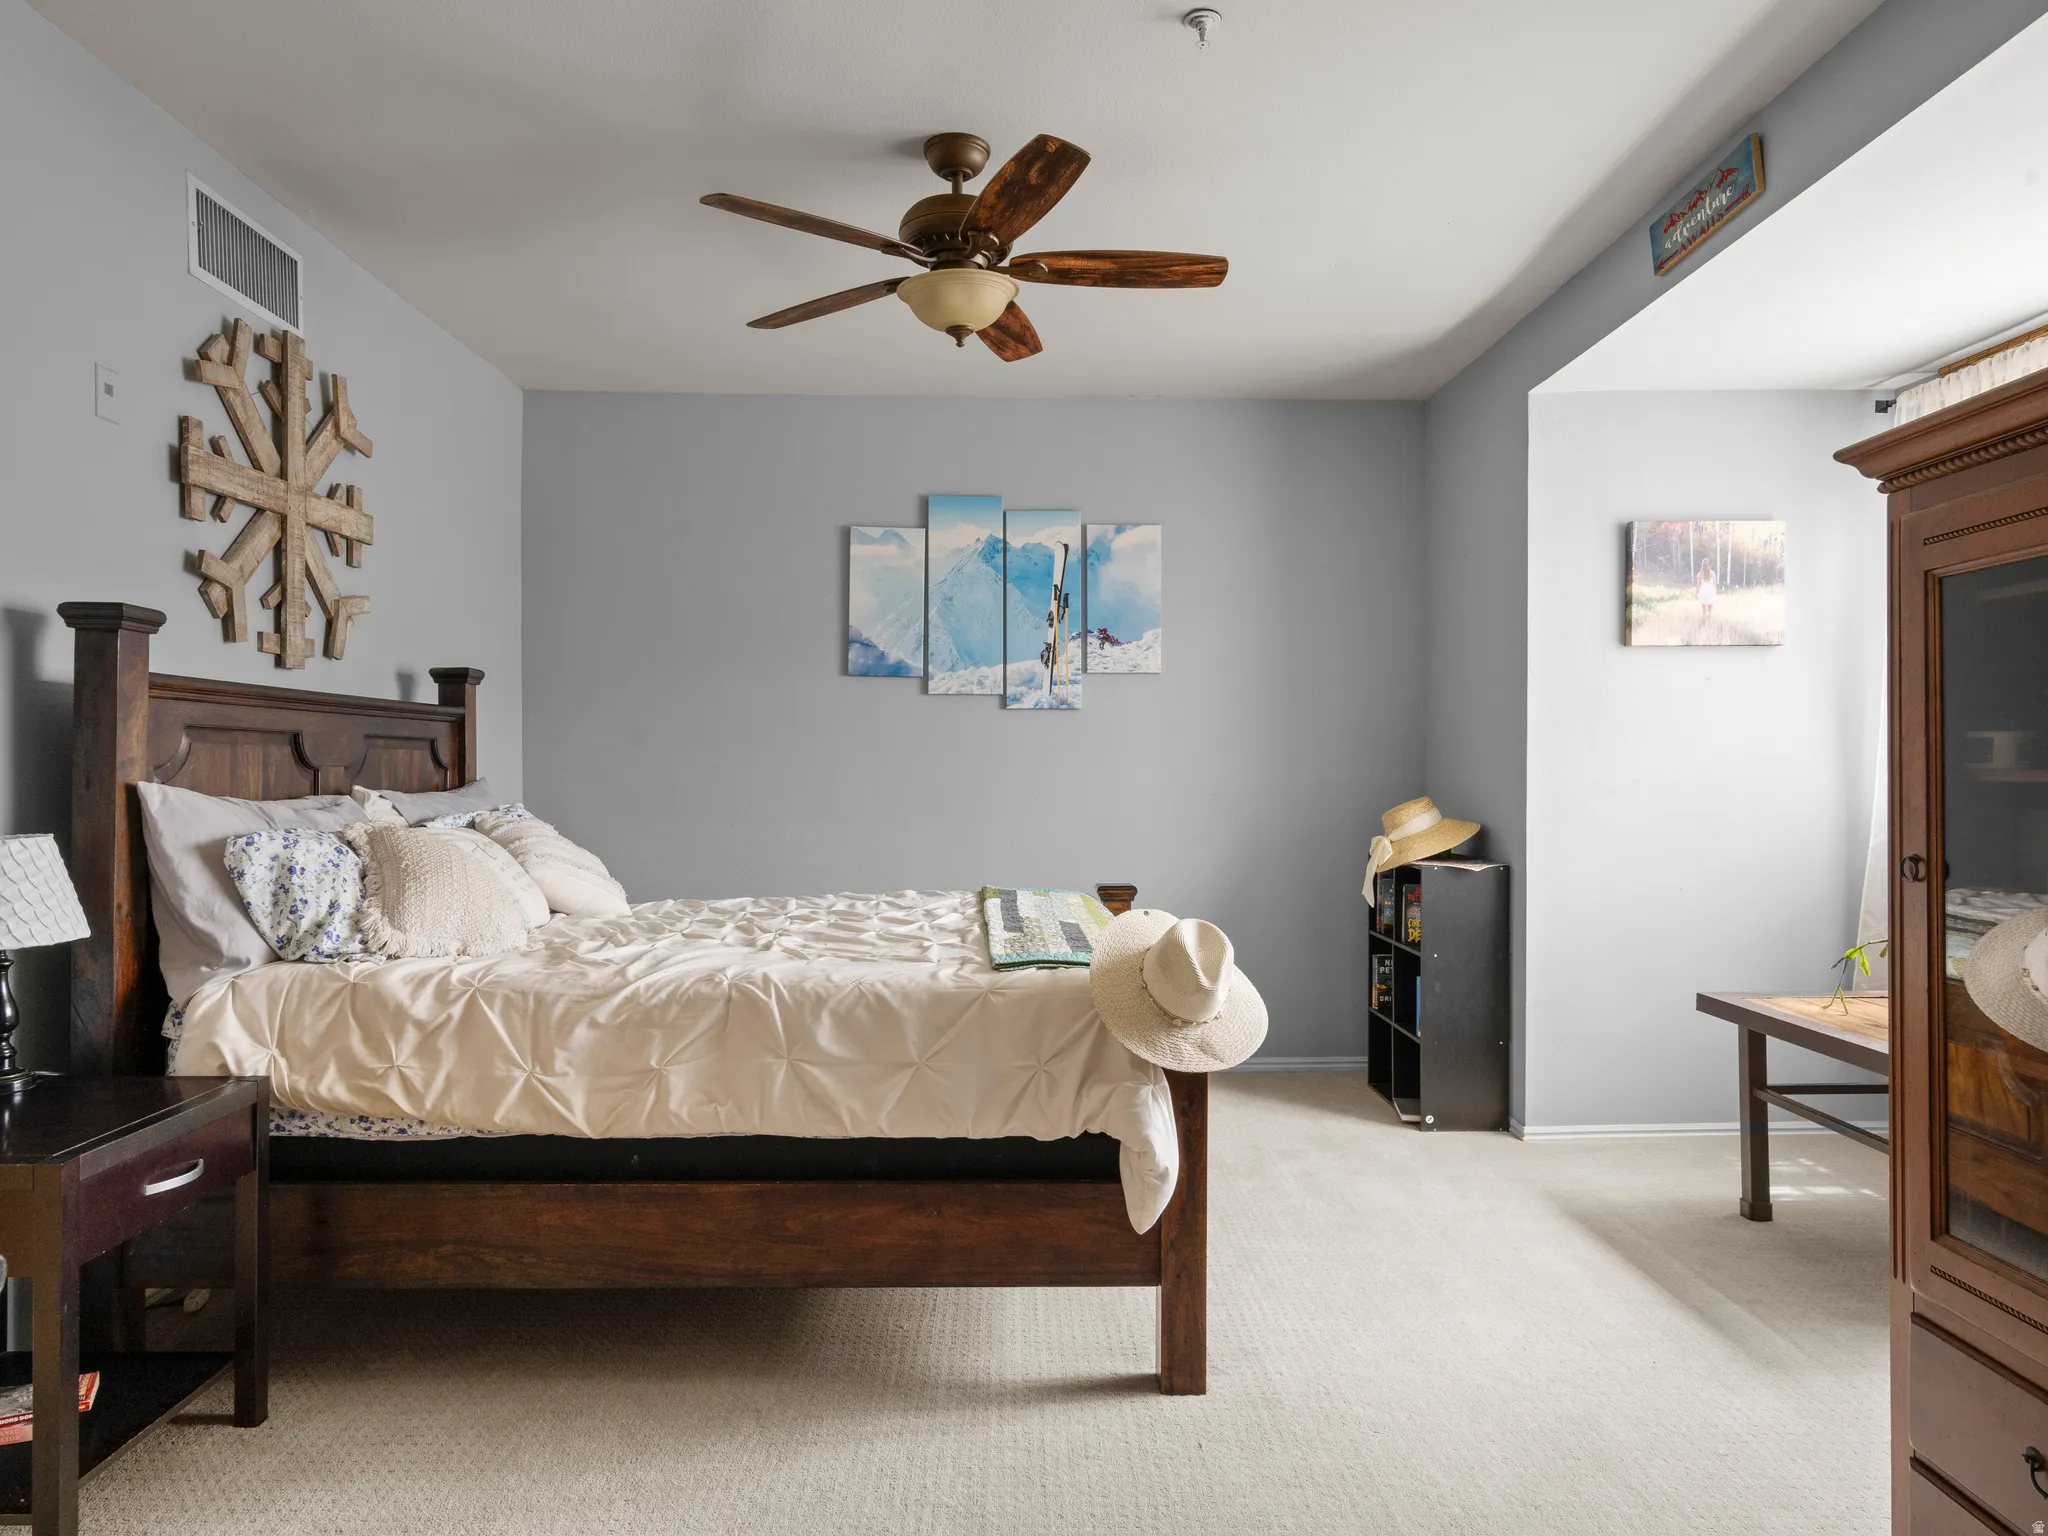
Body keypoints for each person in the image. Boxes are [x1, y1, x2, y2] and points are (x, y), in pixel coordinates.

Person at [1696, 561, 1718, 625]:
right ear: (1709, 566)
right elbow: (1715, 584)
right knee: (1710, 610)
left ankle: (1703, 623)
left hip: (1703, 592)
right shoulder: (1713, 573)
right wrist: (1715, 593)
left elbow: (1698, 585)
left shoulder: (1699, 574)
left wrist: (1696, 593)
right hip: (1711, 592)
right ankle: (1710, 623)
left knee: (1704, 611)